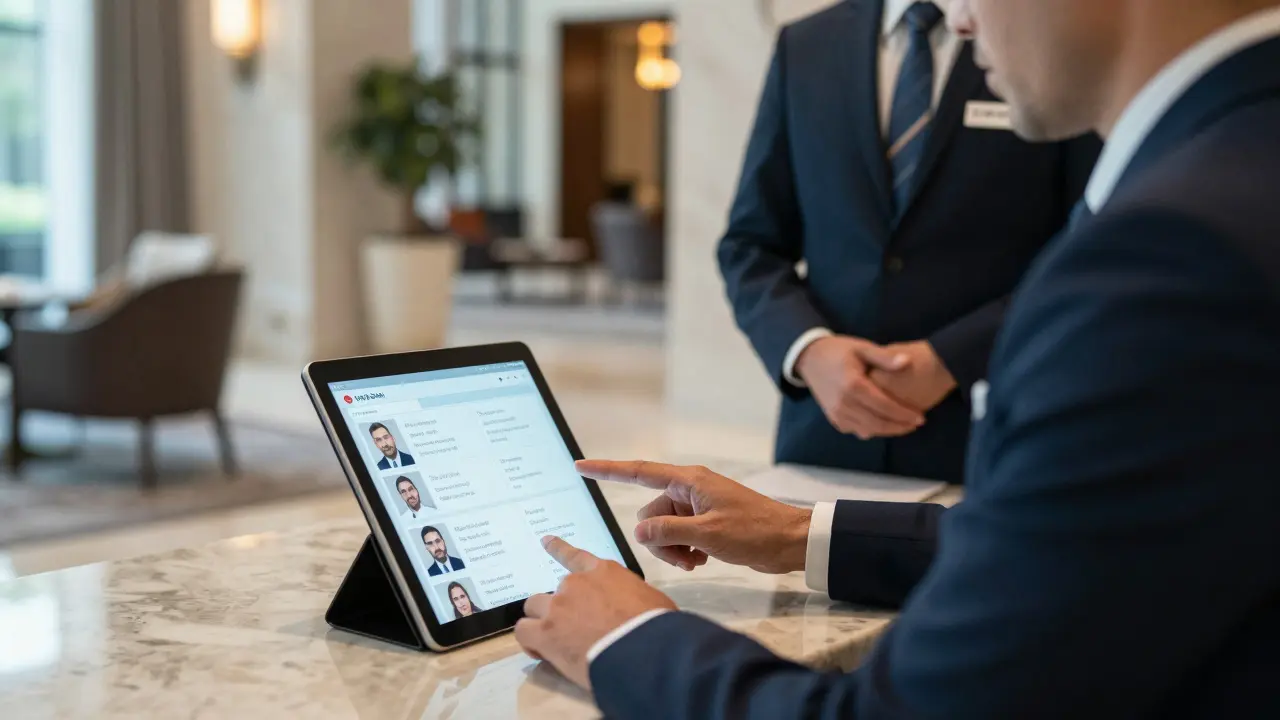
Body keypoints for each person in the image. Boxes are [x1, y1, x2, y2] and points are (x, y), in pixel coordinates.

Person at [513, 0, 1280, 716]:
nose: (964, 17)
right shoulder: (1236, 166)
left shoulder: (1172, 257)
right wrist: (796, 533)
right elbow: (1104, 552)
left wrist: (629, 642)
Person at [719, 0, 1099, 481]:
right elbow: (749, 246)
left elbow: (1084, 250)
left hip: (988, 438)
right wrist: (809, 351)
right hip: (826, 440)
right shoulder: (806, 45)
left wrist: (951, 358)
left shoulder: (1037, 28)